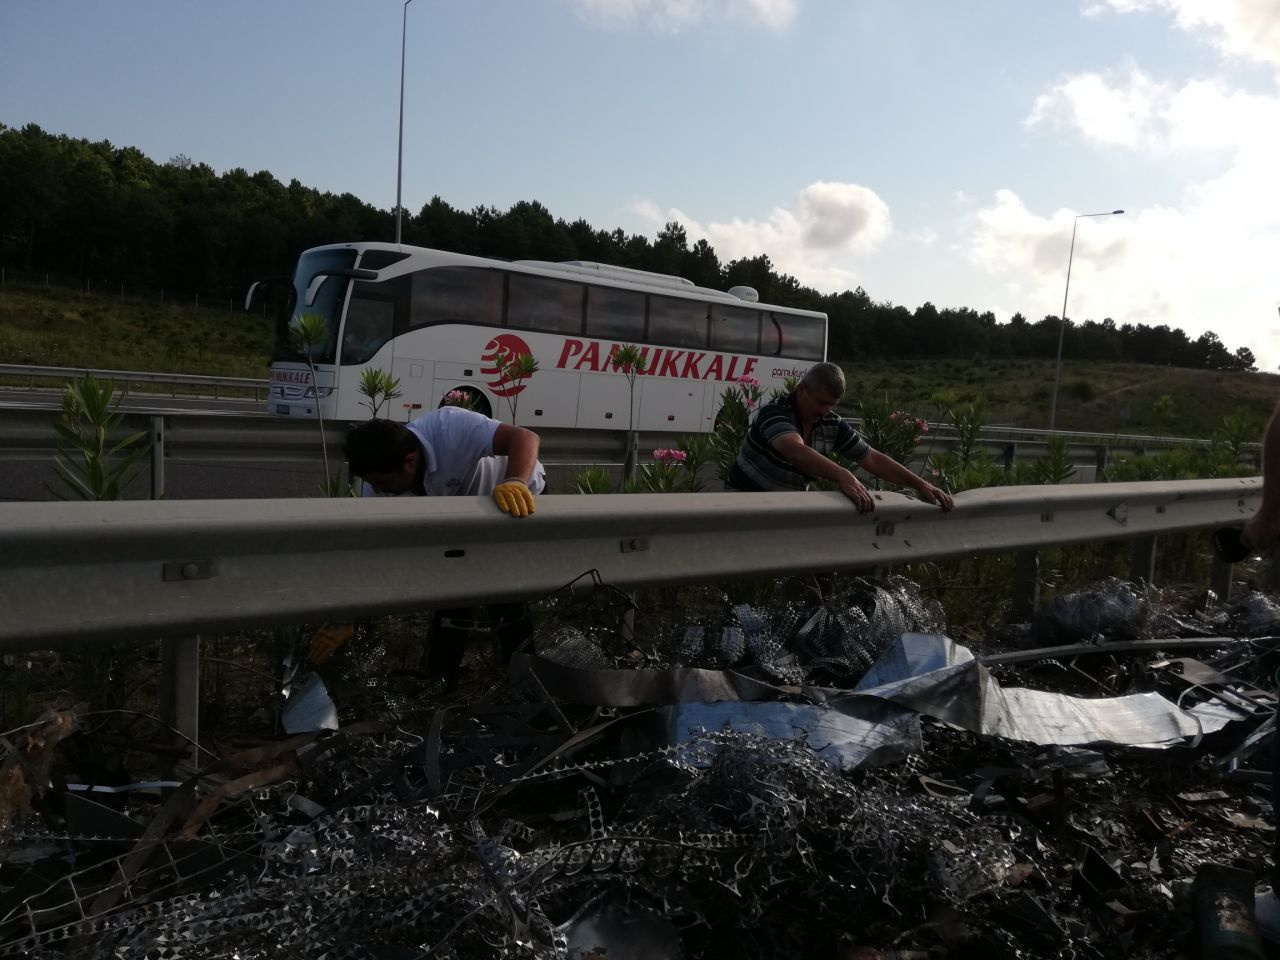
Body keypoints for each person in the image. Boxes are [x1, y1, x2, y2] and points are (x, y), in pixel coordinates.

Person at [344, 406, 547, 689]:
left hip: (516, 499)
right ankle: (442, 682)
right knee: (452, 593)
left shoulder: (449, 426)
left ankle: (526, 683)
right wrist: (342, 615)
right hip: (461, 521)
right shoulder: (378, 490)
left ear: (410, 461)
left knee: (506, 596)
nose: (378, 490)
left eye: (384, 483)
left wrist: (515, 481)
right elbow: (372, 556)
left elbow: (525, 438)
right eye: (372, 484)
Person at [725, 361, 954, 514]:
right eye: (821, 402)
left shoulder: (831, 423)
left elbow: (872, 458)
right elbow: (795, 452)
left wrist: (921, 484)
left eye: (832, 405)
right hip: (743, 506)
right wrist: (842, 474)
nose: (825, 411)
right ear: (802, 389)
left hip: (786, 508)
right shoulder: (774, 412)